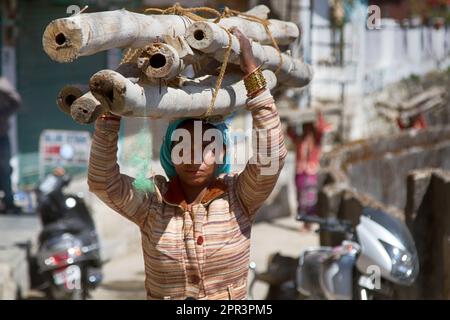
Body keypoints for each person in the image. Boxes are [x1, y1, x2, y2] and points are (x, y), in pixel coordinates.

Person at [87, 28, 287, 300]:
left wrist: (253, 76)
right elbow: (103, 181)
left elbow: (271, 158)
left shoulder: (239, 198)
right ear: (170, 152)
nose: (194, 157)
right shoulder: (152, 203)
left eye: (207, 147)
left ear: (222, 153)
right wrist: (111, 114)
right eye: (183, 146)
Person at [287, 112, 330, 231]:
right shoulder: (300, 140)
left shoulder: (317, 141)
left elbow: (322, 129)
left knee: (310, 200)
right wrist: (292, 119)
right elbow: (289, 131)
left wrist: (319, 114)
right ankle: (305, 223)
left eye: (308, 127)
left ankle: (309, 224)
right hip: (300, 173)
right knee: (300, 199)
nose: (306, 130)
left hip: (310, 173)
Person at [0, 77, 21, 214]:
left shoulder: (2, 83)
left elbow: (16, 101)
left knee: (5, 169)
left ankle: (8, 202)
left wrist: (3, 115)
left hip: (1, 136)